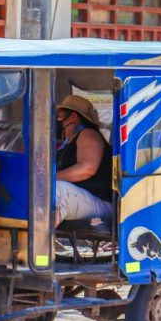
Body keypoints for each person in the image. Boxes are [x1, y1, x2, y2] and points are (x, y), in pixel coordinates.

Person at [54, 95, 113, 226]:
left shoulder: (88, 134)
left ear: (73, 117)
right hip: (84, 200)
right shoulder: (68, 142)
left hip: (100, 202)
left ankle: (39, 243)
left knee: (56, 191)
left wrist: (50, 178)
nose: (58, 121)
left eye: (60, 116)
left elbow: (87, 169)